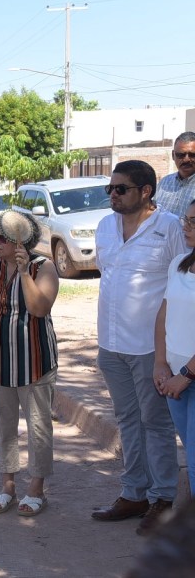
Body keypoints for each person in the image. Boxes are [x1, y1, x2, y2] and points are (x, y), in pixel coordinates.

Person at [92, 160, 186, 535]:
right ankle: (134, 493)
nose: (112, 195)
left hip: (150, 347)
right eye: (110, 189)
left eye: (121, 189)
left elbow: (181, 284)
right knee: (128, 420)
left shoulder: (170, 228)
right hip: (110, 343)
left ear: (145, 191)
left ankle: (162, 498)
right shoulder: (104, 226)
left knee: (156, 423)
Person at [0, 210, 59, 517]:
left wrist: (23, 274)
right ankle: (7, 485)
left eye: (4, 238)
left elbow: (39, 308)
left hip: (34, 360)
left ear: (22, 243)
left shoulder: (43, 267)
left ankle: (36, 489)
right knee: (3, 425)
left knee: (38, 427)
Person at [153, 200, 195, 507]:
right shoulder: (179, 263)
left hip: (187, 377)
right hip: (175, 377)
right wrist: (160, 363)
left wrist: (186, 376)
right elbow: (163, 314)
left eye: (194, 222)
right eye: (186, 219)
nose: (186, 227)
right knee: (191, 454)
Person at [155, 131, 195, 217]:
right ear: (173, 155)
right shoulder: (164, 183)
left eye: (192, 155)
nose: (186, 159)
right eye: (181, 155)